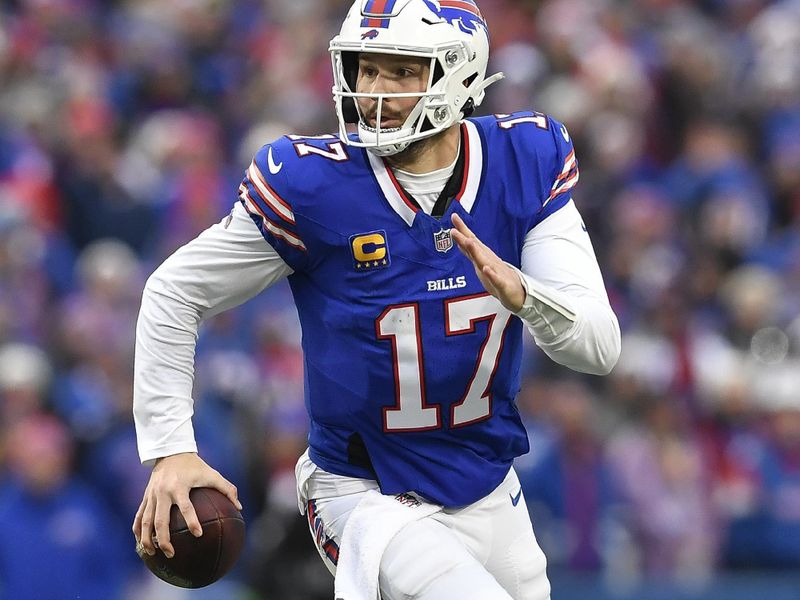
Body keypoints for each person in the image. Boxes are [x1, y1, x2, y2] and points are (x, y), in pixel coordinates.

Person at [132, 1, 621, 598]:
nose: (375, 92)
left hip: (489, 485)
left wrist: (525, 295)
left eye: (402, 71)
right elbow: (173, 291)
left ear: (459, 74)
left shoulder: (523, 161)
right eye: (367, 70)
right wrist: (170, 450)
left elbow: (598, 348)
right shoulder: (314, 186)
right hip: (367, 493)